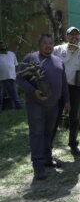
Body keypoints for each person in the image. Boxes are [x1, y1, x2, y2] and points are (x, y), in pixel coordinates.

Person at [16, 34, 70, 180]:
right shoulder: (30, 58)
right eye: (45, 43)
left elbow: (63, 82)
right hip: (35, 104)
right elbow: (19, 78)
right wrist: (34, 91)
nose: (48, 46)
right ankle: (38, 165)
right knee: (37, 133)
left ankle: (47, 158)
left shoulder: (59, 61)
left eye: (50, 43)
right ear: (39, 45)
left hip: (53, 105)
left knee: (49, 132)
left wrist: (66, 101)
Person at [52, 27, 80, 156]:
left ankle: (73, 145)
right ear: (67, 37)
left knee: (74, 117)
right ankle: (48, 146)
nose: (74, 37)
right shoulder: (57, 49)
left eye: (76, 35)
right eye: (71, 35)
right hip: (59, 87)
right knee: (55, 116)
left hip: (76, 88)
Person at [0, 39, 23, 111]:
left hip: (11, 77)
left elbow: (16, 65)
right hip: (0, 78)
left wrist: (16, 74)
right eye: (0, 44)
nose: (2, 45)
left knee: (14, 93)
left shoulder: (12, 54)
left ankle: (18, 106)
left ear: (5, 45)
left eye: (3, 43)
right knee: (0, 95)